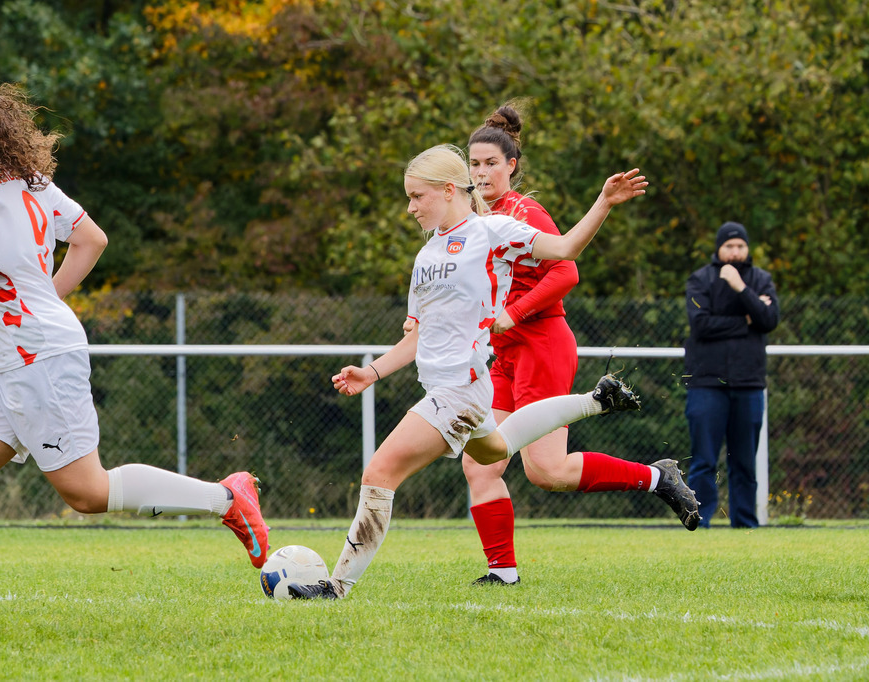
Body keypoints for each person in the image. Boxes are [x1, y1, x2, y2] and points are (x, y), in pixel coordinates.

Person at [0, 83, 269, 636]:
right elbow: (92, 240)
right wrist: (46, 300)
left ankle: (226, 498)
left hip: (37, 357)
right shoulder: (28, 178)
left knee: (88, 493)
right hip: (12, 358)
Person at [288, 144, 677, 601]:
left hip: (460, 391)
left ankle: (336, 587)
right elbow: (418, 335)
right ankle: (595, 401)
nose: (410, 207)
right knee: (497, 449)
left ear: (448, 190)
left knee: (379, 472)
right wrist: (371, 373)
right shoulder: (426, 256)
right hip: (454, 389)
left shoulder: (493, 231)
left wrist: (604, 202)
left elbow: (567, 250)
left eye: (417, 196)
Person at [460, 106, 701, 587]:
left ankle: (658, 478)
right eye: (474, 163)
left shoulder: (524, 211)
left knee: (546, 471)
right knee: (480, 461)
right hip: (505, 354)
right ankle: (501, 572)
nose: (481, 172)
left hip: (542, 344)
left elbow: (566, 270)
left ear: (511, 165)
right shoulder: (475, 217)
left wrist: (512, 314)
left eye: (491, 163)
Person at [684, 221, 778, 528]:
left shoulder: (760, 280)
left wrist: (740, 287)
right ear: (719, 248)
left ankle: (745, 524)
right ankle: (698, 521)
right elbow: (701, 325)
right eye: (729, 246)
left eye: (740, 246)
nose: (735, 252)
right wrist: (746, 321)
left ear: (747, 248)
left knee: (744, 462)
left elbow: (768, 320)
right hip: (706, 383)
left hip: (749, 384)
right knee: (703, 460)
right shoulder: (700, 279)